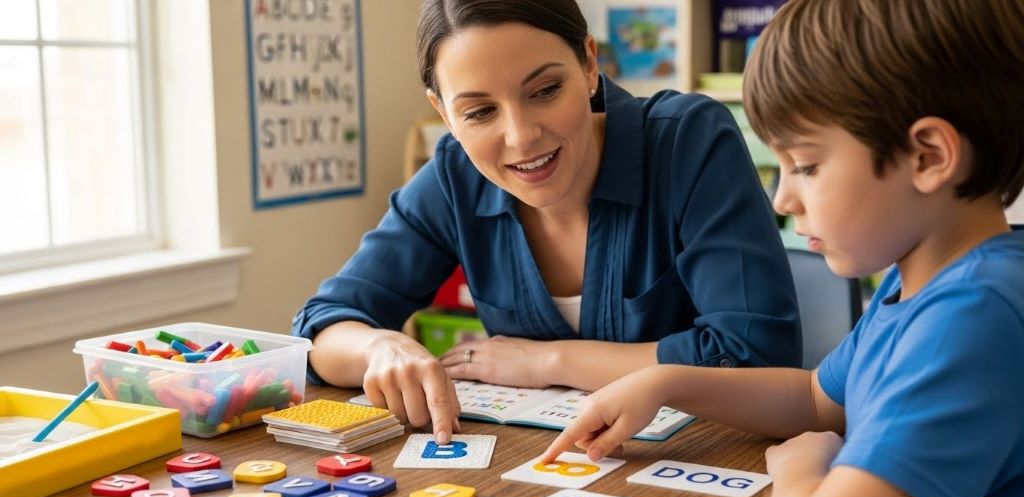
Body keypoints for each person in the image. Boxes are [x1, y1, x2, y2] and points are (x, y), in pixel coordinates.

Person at [542, 0, 1024, 497]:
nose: (782, 199)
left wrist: (803, 467)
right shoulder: (923, 283)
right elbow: (819, 399)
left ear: (928, 156)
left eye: (807, 166)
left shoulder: (973, 315)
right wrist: (664, 382)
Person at [292, 0, 800, 445]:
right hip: (541, 475)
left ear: (588, 65)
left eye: (544, 90)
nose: (521, 136)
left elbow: (756, 357)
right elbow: (320, 331)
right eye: (479, 112)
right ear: (444, 114)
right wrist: (382, 345)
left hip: (705, 468)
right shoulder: (453, 176)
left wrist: (547, 361)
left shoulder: (688, 141)